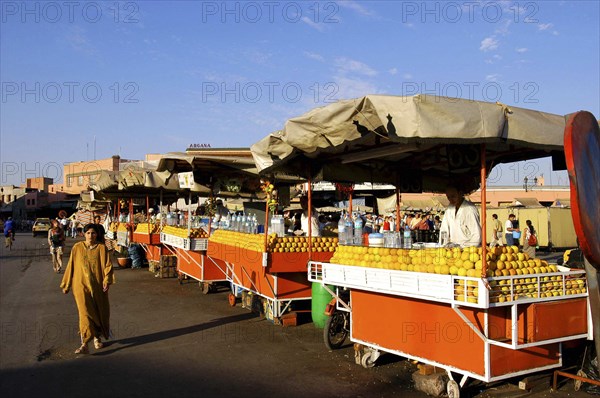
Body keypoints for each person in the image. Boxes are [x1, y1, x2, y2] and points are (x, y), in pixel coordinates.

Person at [60, 223, 114, 354]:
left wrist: (107, 280)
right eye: (88, 233)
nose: (91, 235)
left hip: (97, 287)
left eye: (93, 233)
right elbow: (71, 266)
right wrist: (66, 284)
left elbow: (108, 265)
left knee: (98, 312)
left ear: (97, 234)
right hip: (80, 286)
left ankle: (96, 337)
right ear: (83, 234)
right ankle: (84, 343)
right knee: (85, 314)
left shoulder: (101, 248)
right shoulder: (77, 247)